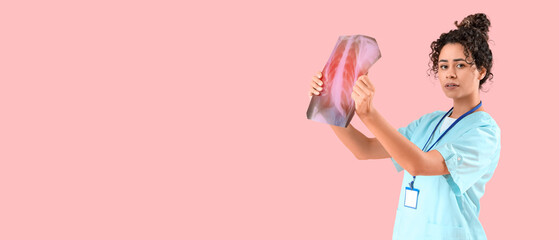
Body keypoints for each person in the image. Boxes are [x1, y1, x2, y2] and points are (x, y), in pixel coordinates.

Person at [308, 13, 500, 240]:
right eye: (443, 65)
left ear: (481, 71)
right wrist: (329, 103)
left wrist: (369, 114)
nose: (450, 73)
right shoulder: (430, 122)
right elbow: (365, 149)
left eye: (460, 65)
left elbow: (419, 164)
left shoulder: (484, 133)